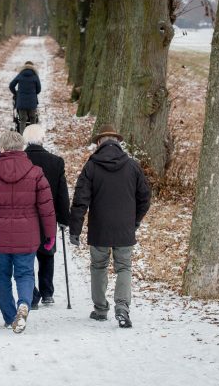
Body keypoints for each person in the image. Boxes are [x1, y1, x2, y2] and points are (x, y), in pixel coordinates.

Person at [68, 124, 151, 328]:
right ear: (118, 142)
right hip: (124, 228)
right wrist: (135, 220)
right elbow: (145, 197)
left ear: (99, 143)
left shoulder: (92, 166)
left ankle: (100, 309)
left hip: (100, 229)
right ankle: (122, 307)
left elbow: (80, 200)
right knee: (124, 267)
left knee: (98, 266)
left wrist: (75, 230)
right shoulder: (132, 166)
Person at [0, 131, 56, 333]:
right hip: (27, 233)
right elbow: (46, 205)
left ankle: (10, 316)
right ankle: (24, 303)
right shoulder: (35, 172)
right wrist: (50, 233)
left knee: (1, 276)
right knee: (25, 273)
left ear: (2, 148)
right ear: (22, 148)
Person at [23, 125, 70, 309]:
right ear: (43, 139)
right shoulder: (56, 162)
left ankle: (32, 293)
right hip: (47, 217)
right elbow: (62, 194)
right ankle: (47, 292)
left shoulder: (21, 160)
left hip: (25, 217)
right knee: (47, 254)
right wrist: (64, 219)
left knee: (26, 256)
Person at [9, 61, 41, 134]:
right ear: (33, 67)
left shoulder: (20, 75)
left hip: (21, 101)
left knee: (22, 119)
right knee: (33, 118)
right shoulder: (35, 76)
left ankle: (22, 136)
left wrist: (16, 93)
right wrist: (33, 94)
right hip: (32, 102)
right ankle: (32, 135)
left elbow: (11, 85)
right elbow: (39, 89)